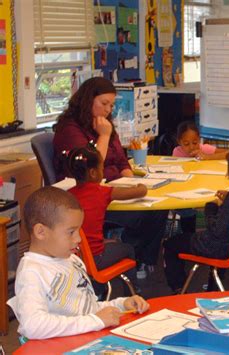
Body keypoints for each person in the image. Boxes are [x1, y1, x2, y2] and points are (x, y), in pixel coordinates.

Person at [53, 77, 168, 278]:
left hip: (114, 188)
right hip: (90, 196)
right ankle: (130, 254)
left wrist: (129, 179)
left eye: (111, 105)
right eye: (104, 103)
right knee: (147, 215)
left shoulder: (105, 124)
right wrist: (104, 136)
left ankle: (141, 258)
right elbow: (91, 169)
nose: (108, 109)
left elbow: (122, 161)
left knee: (158, 209)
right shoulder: (70, 129)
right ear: (88, 100)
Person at [7, 187, 149, 340]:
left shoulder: (72, 259)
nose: (78, 239)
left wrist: (120, 304)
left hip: (84, 340)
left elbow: (87, 308)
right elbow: (32, 326)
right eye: (71, 232)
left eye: (79, 231)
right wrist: (95, 321)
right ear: (41, 232)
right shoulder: (32, 272)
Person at [163, 143, 229, 293]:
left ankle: (178, 287)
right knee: (220, 238)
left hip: (220, 248)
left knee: (170, 244)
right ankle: (214, 286)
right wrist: (228, 201)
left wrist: (211, 208)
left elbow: (217, 230)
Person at [65, 144, 149, 290]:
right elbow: (140, 192)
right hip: (96, 258)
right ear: (93, 173)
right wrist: (142, 185)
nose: (103, 172)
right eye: (101, 168)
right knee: (128, 249)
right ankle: (134, 292)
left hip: (74, 256)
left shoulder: (67, 195)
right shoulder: (102, 192)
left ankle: (99, 289)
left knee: (110, 241)